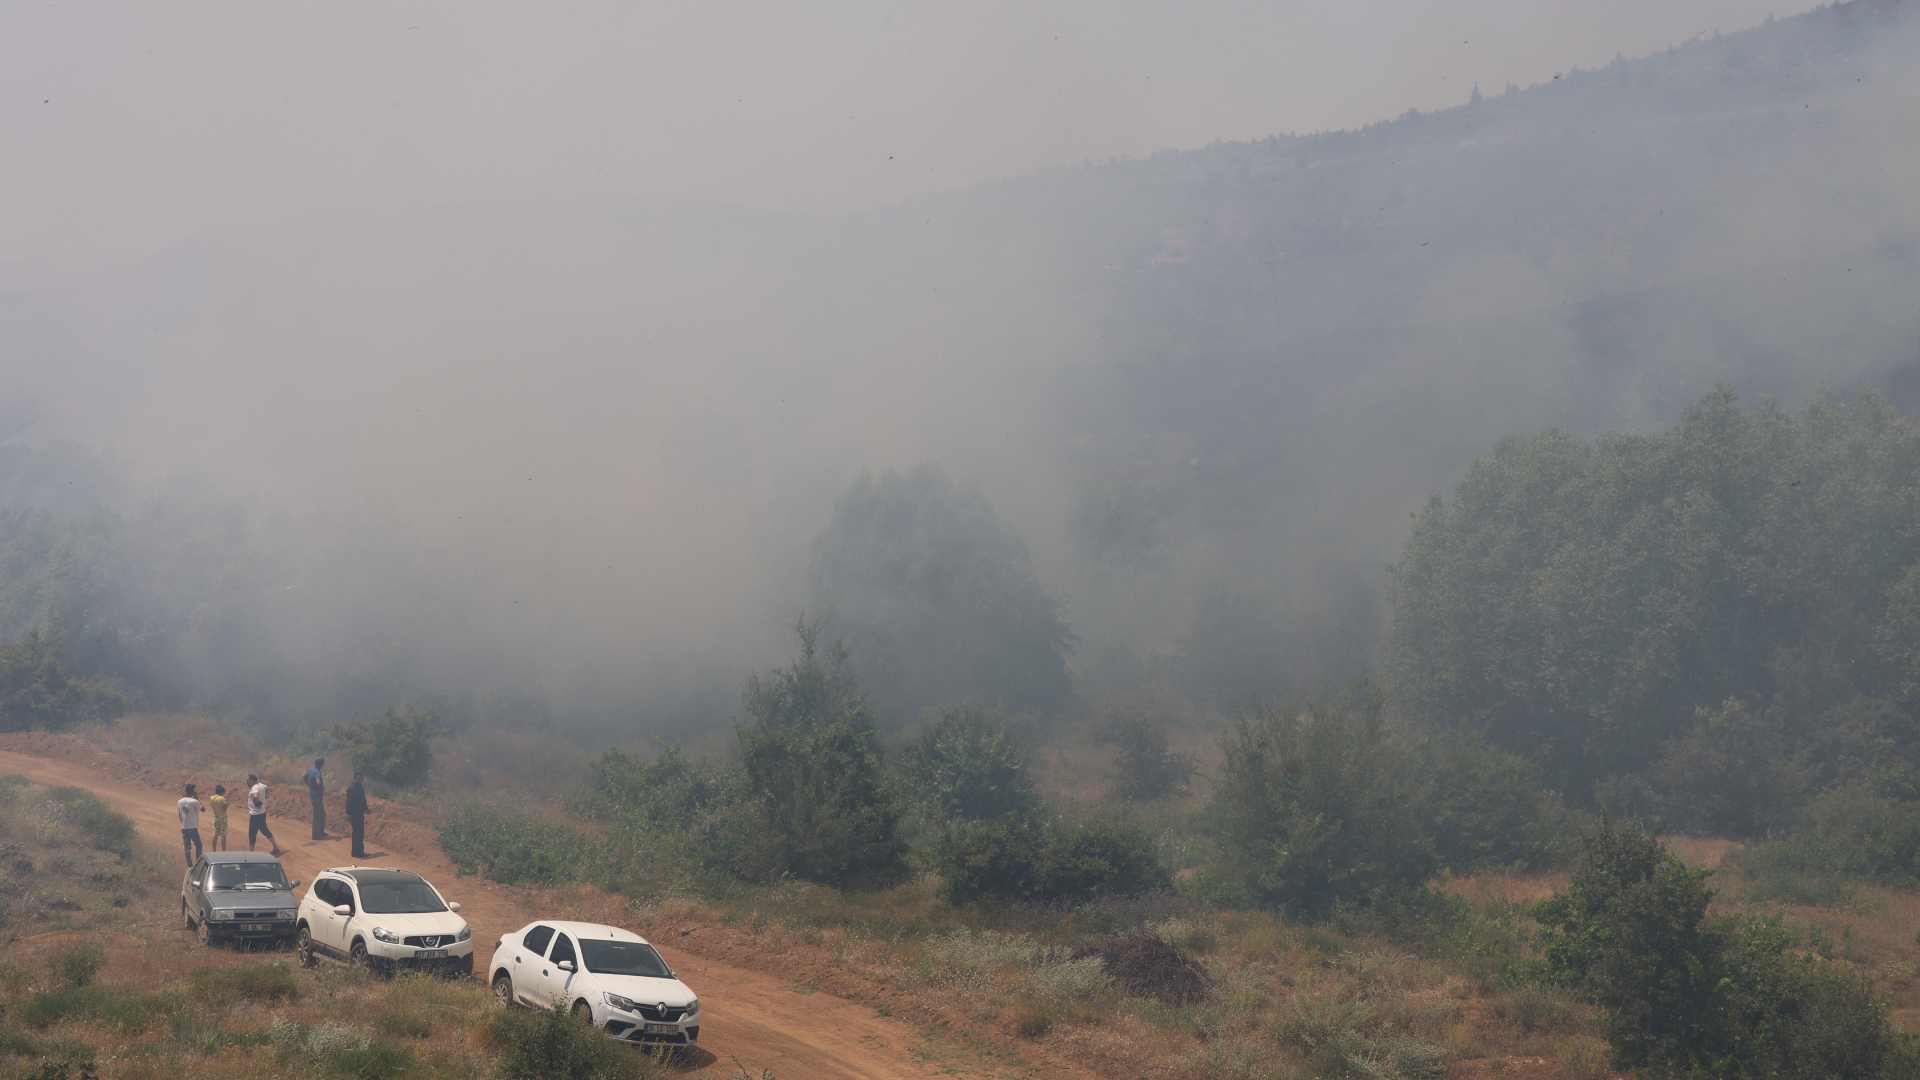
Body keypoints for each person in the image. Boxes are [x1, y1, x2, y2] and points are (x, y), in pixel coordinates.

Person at [246, 772, 283, 857]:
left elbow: (255, 795)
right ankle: (276, 848)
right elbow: (267, 789)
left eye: (248, 780)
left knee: (252, 833)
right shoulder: (262, 785)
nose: (247, 782)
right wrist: (264, 799)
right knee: (265, 831)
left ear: (252, 780)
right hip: (262, 813)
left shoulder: (254, 788)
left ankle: (251, 854)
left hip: (255, 814)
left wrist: (257, 802)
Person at [176, 783, 205, 866]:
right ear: (192, 791)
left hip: (184, 827)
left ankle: (189, 865)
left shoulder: (179, 801)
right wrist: (197, 799)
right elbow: (203, 809)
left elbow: (179, 815)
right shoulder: (195, 801)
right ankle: (198, 864)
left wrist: (182, 823)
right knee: (199, 845)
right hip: (193, 827)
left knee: (187, 847)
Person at [345, 770, 369, 859]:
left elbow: (363, 800)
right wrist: (348, 814)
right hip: (354, 814)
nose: (361, 780)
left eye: (361, 778)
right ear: (355, 778)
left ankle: (359, 852)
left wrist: (366, 809)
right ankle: (356, 852)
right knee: (357, 833)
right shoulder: (351, 788)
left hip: (360, 813)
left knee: (360, 833)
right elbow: (348, 803)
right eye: (359, 778)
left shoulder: (360, 787)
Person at [304, 757, 327, 841]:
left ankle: (321, 832)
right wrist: (319, 787)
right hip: (317, 796)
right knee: (318, 815)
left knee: (321, 814)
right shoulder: (317, 772)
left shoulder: (310, 770)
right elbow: (318, 781)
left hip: (313, 795)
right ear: (321, 764)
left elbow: (304, 778)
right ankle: (316, 835)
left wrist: (309, 785)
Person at [208, 784, 230, 852]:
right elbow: (224, 809)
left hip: (216, 817)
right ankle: (224, 851)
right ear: (221, 792)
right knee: (223, 836)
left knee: (215, 834)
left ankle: (214, 850)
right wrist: (227, 804)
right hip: (222, 819)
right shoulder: (222, 798)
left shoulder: (212, 798)